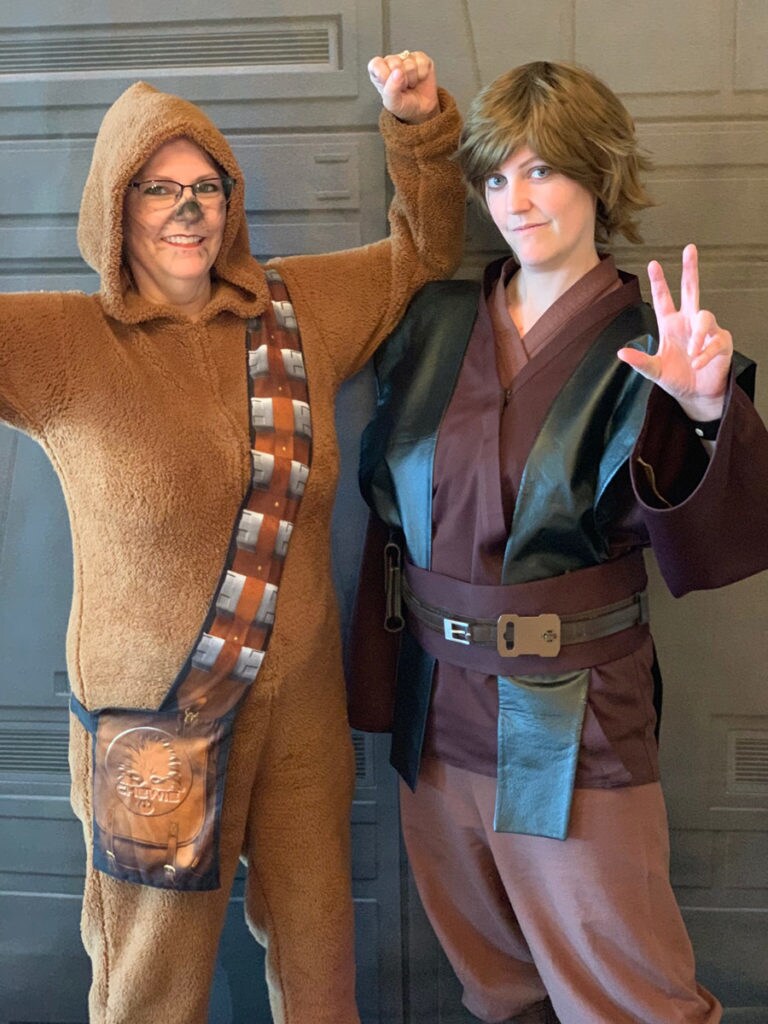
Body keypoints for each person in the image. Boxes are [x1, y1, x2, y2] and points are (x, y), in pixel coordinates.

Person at [0, 51, 465, 1024]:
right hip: (156, 735)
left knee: (320, 958)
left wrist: (418, 127)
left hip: (300, 711)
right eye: (157, 187)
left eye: (205, 185)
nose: (185, 207)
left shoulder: (297, 308)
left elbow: (424, 250)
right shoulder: (59, 342)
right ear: (115, 208)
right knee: (149, 986)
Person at [348, 60, 768, 1024]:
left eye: (540, 171)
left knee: (630, 997)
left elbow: (709, 551)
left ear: (598, 174)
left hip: (573, 720)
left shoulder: (652, 339)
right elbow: (384, 520)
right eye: (496, 177)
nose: (514, 200)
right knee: (496, 987)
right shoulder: (434, 324)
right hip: (436, 712)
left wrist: (703, 411)